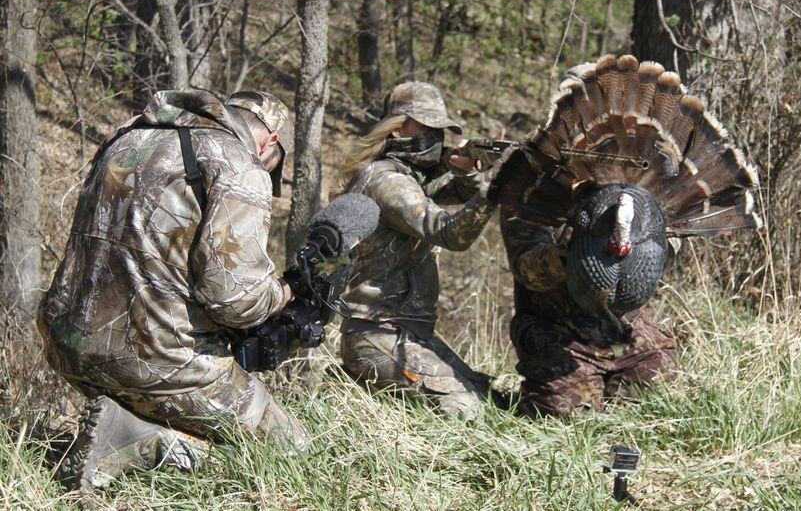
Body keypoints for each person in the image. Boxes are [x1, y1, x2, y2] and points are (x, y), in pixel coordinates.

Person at [37, 88, 306, 490]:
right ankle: (145, 441)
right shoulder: (237, 162)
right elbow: (234, 302)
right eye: (273, 165)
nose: (266, 172)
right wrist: (283, 292)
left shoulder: (126, 138)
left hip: (66, 344)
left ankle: (125, 419)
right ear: (269, 141)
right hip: (158, 363)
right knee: (289, 452)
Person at [337, 81, 500, 417]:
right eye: (427, 127)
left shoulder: (406, 175)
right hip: (379, 335)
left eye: (440, 130)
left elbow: (449, 192)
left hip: (407, 333)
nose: (436, 137)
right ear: (396, 131)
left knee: (490, 397)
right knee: (467, 409)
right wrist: (494, 192)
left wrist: (468, 171)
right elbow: (451, 234)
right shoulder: (387, 182)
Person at [500, 218, 678, 418]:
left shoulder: (632, 194)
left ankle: (612, 401)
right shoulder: (535, 195)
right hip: (561, 339)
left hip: (625, 335)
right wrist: (567, 251)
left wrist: (651, 245)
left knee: (659, 393)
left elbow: (667, 253)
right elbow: (528, 271)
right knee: (567, 415)